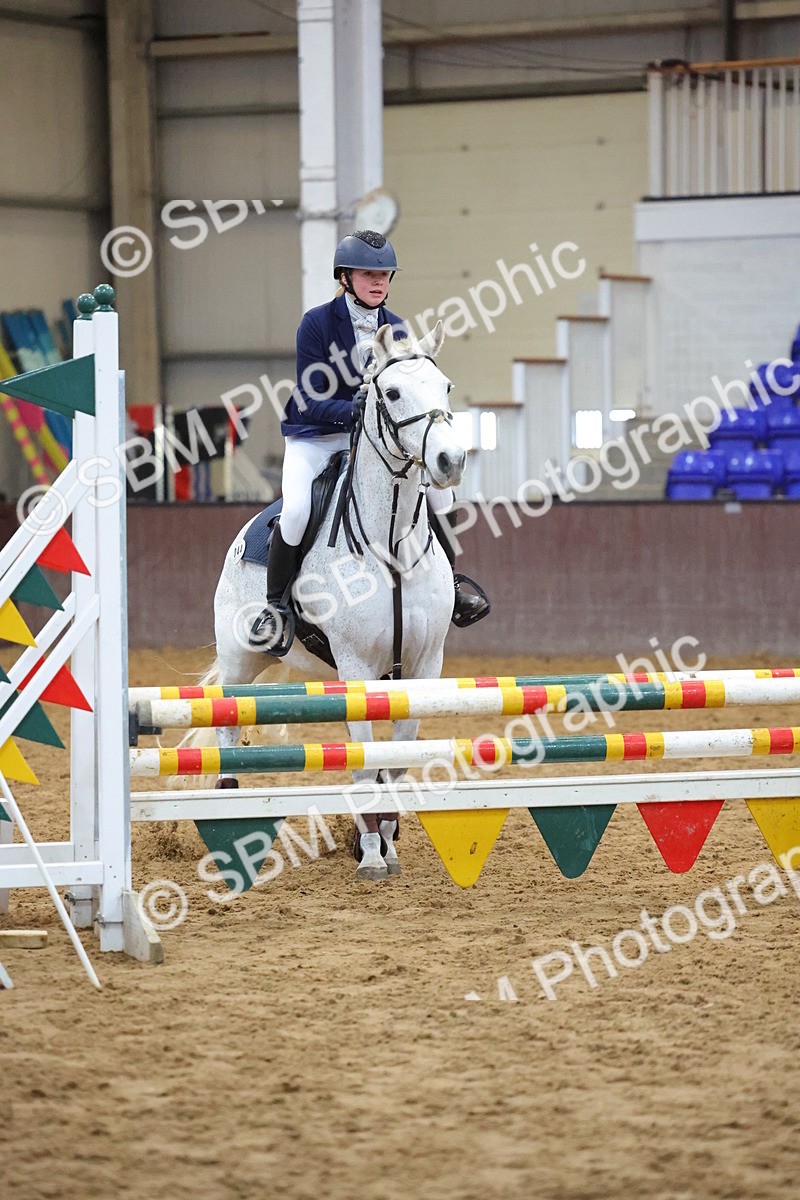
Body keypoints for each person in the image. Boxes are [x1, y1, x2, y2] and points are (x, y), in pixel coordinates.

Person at [252, 229, 489, 651]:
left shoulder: (396, 329)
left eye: (385, 275)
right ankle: (276, 609)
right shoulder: (317, 323)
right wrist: (354, 413)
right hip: (317, 437)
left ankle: (449, 587)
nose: (379, 282)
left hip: (374, 444)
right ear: (345, 277)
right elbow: (308, 397)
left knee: (441, 499)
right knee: (296, 510)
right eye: (368, 274)